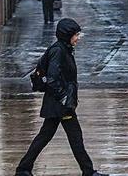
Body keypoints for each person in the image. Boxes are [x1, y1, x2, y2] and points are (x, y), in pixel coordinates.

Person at [15, 18, 107, 176]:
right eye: (75, 35)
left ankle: (23, 169)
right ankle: (88, 171)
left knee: (47, 136)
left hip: (58, 104)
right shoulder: (59, 51)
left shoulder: (64, 49)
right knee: (74, 137)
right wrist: (64, 97)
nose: (78, 38)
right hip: (60, 104)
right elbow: (52, 78)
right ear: (67, 35)